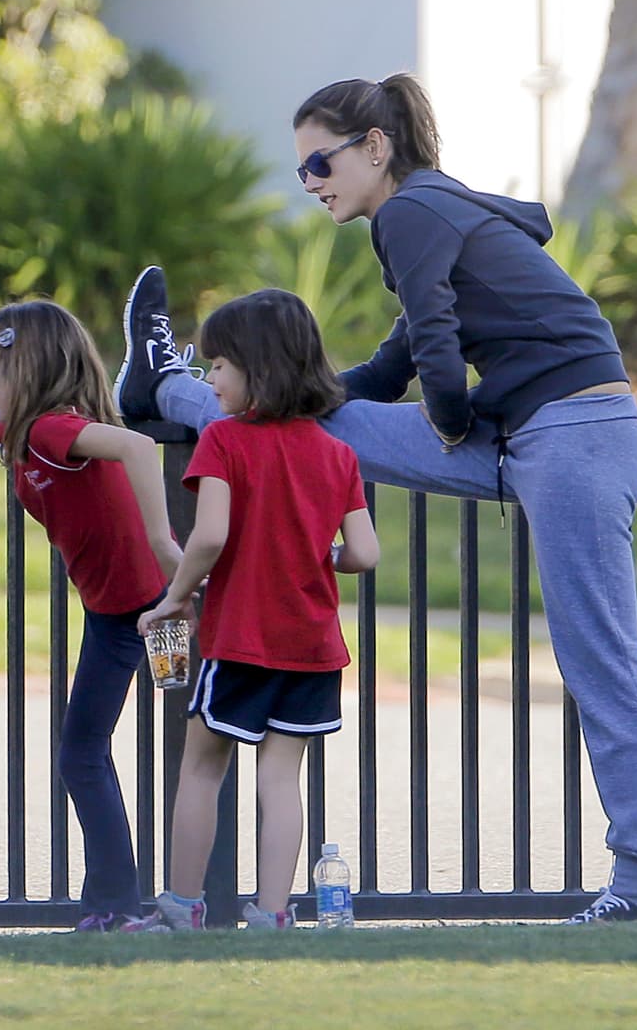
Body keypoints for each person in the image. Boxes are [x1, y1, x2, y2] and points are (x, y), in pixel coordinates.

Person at [114, 72, 637, 925]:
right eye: (301, 170)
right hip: (523, 433)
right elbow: (385, 372)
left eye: (320, 163)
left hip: (574, 436)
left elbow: (441, 365)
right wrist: (299, 396)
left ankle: (635, 886)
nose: (312, 184)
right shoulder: (432, 217)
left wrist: (447, 424)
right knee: (308, 428)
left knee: (599, 652)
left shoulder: (412, 213)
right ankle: (164, 383)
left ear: (377, 147)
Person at [0, 299, 182, 933]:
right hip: (125, 612)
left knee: (88, 754)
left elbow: (141, 448)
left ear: (23, 369)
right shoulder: (27, 430)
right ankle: (124, 906)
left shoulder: (49, 432)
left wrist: (164, 546)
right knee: (169, 738)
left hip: (146, 611)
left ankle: (119, 908)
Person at [135, 288, 378, 931]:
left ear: (257, 366)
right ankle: (273, 912)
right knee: (281, 777)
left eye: (218, 364)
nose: (208, 378)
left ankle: (182, 907)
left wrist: (177, 594)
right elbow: (366, 552)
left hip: (240, 637)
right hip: (313, 646)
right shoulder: (338, 454)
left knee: (202, 766)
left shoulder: (224, 443)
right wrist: (318, 556)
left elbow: (210, 536)